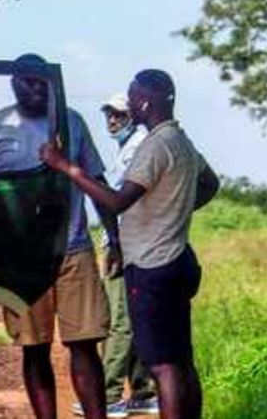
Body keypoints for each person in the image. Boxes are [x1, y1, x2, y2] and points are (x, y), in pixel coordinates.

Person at [41, 70, 220, 419]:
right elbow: (210, 184)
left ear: (145, 101)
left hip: (153, 265)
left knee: (162, 366)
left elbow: (116, 202)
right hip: (179, 259)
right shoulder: (182, 142)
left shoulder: (154, 145)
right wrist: (174, 209)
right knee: (182, 359)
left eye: (132, 97)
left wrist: (67, 167)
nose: (129, 105)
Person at [0, 54, 113, 419]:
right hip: (23, 258)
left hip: (73, 250)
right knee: (35, 348)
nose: (35, 89)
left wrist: (117, 240)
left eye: (41, 83)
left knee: (84, 345)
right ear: (13, 83)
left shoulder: (71, 123)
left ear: (51, 84)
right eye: (27, 82)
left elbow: (96, 182)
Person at [85, 94, 157, 417]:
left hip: (125, 241)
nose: (112, 121)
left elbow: (116, 201)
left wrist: (114, 243)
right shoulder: (130, 147)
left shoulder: (138, 146)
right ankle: (142, 390)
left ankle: (110, 393)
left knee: (119, 320)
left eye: (118, 115)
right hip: (134, 240)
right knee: (134, 316)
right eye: (108, 115)